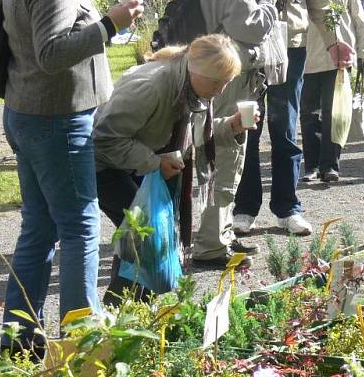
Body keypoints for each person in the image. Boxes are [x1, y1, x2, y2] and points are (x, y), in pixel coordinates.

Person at [0, 0, 144, 356]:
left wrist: (103, 23)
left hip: (30, 114)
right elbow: (51, 53)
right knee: (81, 228)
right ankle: (84, 345)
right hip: (56, 120)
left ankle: (19, 341)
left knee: (39, 230)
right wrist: (108, 24)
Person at [234, 0, 353, 237]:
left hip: (291, 46)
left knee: (284, 125)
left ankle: (288, 206)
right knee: (247, 124)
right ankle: (244, 207)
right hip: (249, 43)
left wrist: (336, 39)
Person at [94, 34, 257, 298]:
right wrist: (154, 162)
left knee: (144, 240)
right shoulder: (152, 86)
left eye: (227, 83)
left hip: (136, 162)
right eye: (218, 82)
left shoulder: (189, 87)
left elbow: (197, 134)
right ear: (199, 72)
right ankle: (122, 319)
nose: (221, 90)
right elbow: (104, 139)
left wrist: (232, 125)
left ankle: (130, 317)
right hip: (101, 164)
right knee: (146, 238)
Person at [188, 0, 284, 263]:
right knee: (229, 152)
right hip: (230, 74)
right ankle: (212, 242)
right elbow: (250, 27)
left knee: (212, 151)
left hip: (205, 66)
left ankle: (219, 231)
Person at [300, 0, 364, 182]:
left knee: (335, 112)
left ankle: (330, 165)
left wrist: (363, 49)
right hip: (306, 55)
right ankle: (311, 165)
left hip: (339, 56)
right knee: (308, 114)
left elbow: (356, 12)